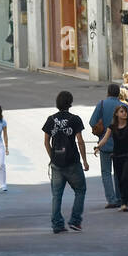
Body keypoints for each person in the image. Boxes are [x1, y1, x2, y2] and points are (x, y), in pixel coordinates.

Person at [43, 90, 88, 233]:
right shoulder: (75, 119)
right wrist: (85, 160)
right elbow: (80, 141)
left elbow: (46, 142)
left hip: (57, 163)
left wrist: (53, 157)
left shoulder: (51, 119)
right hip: (72, 161)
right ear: (70, 103)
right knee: (80, 190)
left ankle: (57, 224)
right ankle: (75, 220)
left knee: (57, 195)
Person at [97, 103, 128, 214]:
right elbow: (105, 138)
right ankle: (123, 201)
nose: (124, 113)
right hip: (117, 155)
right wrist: (98, 147)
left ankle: (124, 203)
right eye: (122, 111)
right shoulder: (112, 127)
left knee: (125, 177)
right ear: (117, 114)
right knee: (119, 180)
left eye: (125, 111)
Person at [90, 83, 125, 208]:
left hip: (104, 144)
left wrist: (101, 126)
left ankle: (111, 199)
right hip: (120, 145)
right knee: (118, 172)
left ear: (108, 93)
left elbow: (92, 121)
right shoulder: (123, 106)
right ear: (118, 93)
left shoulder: (102, 104)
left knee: (106, 172)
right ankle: (120, 198)